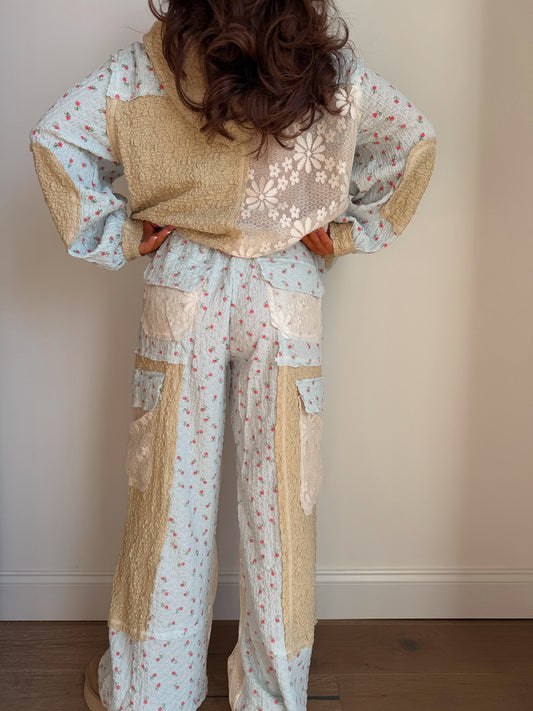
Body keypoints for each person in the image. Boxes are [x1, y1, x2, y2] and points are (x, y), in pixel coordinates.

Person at [28, 1, 437, 709]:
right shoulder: (324, 65)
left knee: (167, 491)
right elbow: (413, 145)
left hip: (183, 279)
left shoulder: (153, 61)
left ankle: (149, 692)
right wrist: (342, 232)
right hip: (284, 288)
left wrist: (124, 232)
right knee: (283, 499)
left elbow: (55, 138)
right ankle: (272, 696)